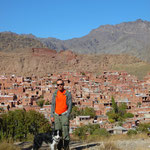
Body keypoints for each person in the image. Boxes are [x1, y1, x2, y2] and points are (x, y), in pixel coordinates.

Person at [51, 79, 72, 150]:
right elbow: (53, 105)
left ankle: (66, 148)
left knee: (65, 132)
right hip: (56, 115)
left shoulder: (67, 94)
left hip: (64, 115)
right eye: (58, 85)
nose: (60, 86)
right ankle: (59, 148)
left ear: (63, 85)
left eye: (61, 84)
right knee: (58, 134)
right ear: (56, 86)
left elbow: (70, 105)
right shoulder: (55, 94)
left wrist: (67, 114)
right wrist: (52, 115)